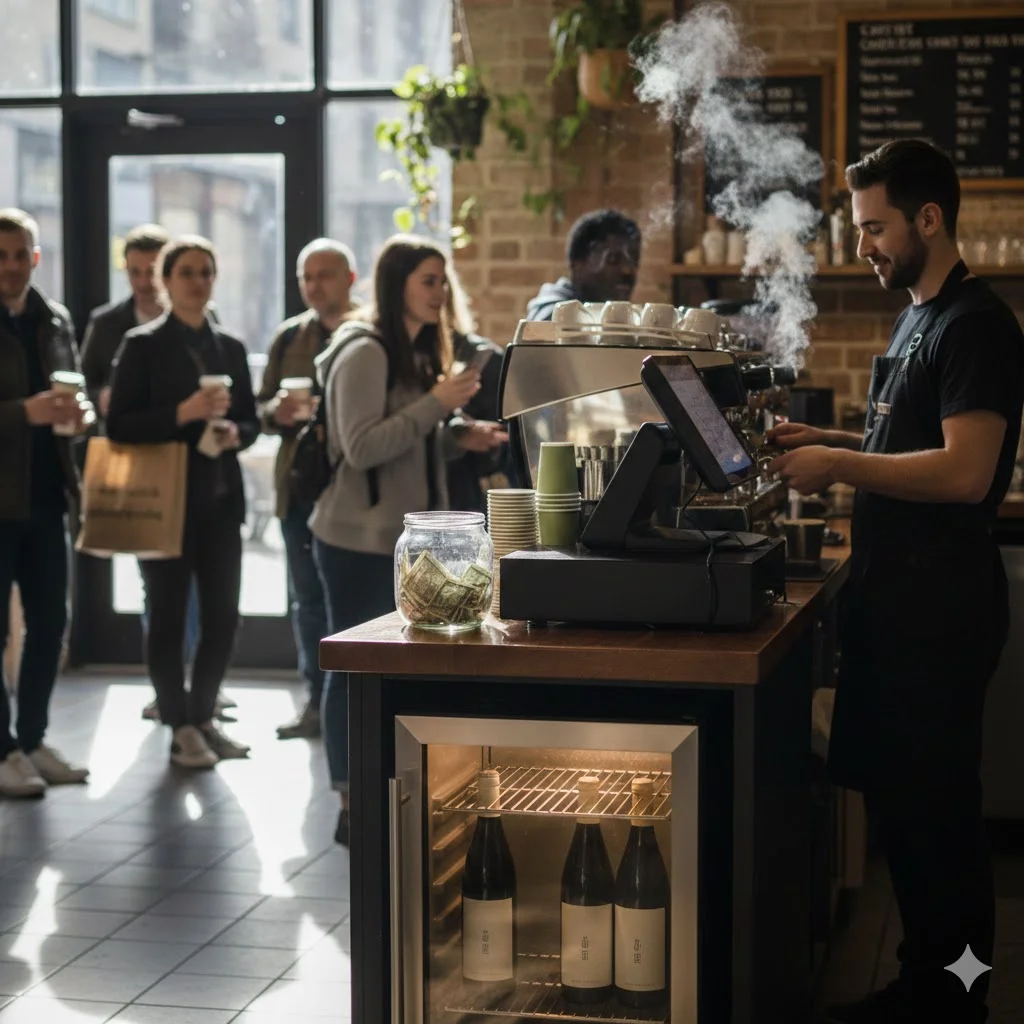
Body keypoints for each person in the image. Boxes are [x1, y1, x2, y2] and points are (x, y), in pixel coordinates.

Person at [768, 140, 1024, 1024]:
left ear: (929, 218)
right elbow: (904, 444)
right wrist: (825, 448)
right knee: (910, 824)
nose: (863, 245)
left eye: (875, 227)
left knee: (943, 829)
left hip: (941, 610)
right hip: (898, 602)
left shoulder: (976, 326)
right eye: (857, 228)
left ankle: (957, 1002)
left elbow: (963, 471)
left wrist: (841, 463)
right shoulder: (916, 314)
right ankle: (924, 986)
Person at [309, 235, 506, 844]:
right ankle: (348, 800)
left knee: (393, 671)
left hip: (401, 537)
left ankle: (384, 790)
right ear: (396, 284)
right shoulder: (365, 351)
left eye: (443, 281)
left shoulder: (418, 350)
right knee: (351, 672)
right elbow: (359, 446)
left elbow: (410, 441)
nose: (440, 293)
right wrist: (434, 406)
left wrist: (455, 437)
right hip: (354, 538)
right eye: (428, 280)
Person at [107, 235, 260, 770]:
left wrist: (232, 431)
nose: (198, 282)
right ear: (166, 282)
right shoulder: (142, 344)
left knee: (223, 617)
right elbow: (118, 424)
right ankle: (178, 725)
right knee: (169, 618)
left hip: (220, 503)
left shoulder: (232, 348)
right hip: (164, 503)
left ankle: (203, 716)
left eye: (206, 272)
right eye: (187, 272)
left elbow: (252, 421)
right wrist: (184, 412)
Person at [79, 223, 209, 721]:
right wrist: (102, 401)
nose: (142, 280)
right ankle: (170, 688)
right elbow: (89, 383)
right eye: (133, 271)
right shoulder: (110, 324)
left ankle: (196, 685)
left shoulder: (199, 322)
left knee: (198, 591)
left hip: (192, 469)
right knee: (158, 586)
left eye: (150, 270)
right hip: (139, 467)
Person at [0, 208, 90, 797]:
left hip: (47, 498)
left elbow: (75, 391)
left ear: (35, 257)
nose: (10, 267)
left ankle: (31, 740)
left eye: (19, 255)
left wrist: (79, 418)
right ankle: (3, 751)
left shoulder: (53, 319)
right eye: (1, 255)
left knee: (51, 623)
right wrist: (21, 413)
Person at [258, 238, 356, 740]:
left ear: (350, 280)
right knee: (307, 601)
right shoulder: (288, 338)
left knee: (353, 602)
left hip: (352, 493)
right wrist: (275, 412)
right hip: (298, 489)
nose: (315, 285)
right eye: (306, 277)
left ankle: (355, 703)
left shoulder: (368, 335)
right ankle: (316, 703)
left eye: (325, 275)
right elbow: (260, 411)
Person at [444, 263, 511, 512]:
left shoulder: (485, 358)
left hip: (468, 497)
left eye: (440, 284)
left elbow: (505, 435)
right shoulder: (401, 358)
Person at [525, 208, 642, 322]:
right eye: (612, 259)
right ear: (578, 264)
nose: (628, 270)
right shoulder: (553, 314)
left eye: (633, 260)